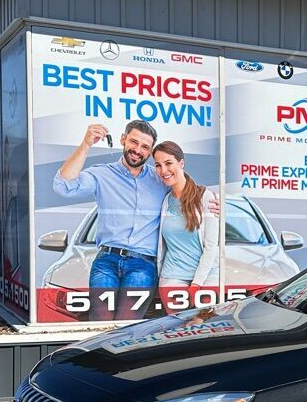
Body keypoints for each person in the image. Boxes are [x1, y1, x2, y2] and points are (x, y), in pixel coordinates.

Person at [53, 121, 218, 320]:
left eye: (145, 147)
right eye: (134, 142)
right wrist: (85, 145)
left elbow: (185, 188)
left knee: (128, 323)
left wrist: (214, 201)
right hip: (106, 260)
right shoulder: (102, 174)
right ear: (123, 139)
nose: (138, 150)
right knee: (100, 320)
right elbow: (63, 186)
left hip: (142, 265)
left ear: (150, 152)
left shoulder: (160, 178)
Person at [153, 141, 220, 307]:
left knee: (204, 322)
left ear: (181, 163)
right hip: (172, 276)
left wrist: (196, 284)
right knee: (177, 323)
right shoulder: (165, 201)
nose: (163, 170)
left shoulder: (205, 197)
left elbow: (211, 246)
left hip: (207, 276)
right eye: (158, 165)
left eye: (168, 163)